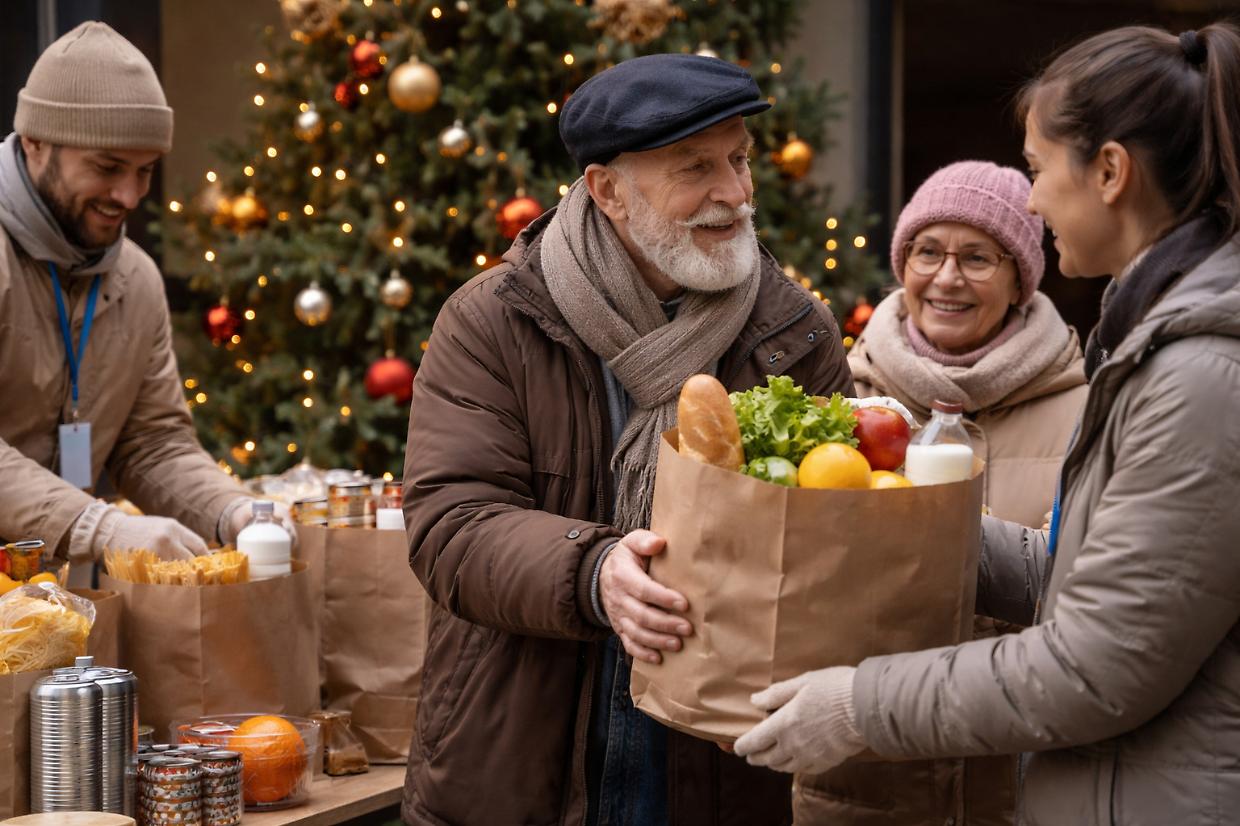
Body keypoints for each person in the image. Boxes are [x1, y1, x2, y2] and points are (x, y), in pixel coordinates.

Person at [734, 21, 1240, 825]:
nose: (1033, 199)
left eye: (1038, 169)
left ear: (1110, 171)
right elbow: (1071, 581)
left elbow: (1096, 664)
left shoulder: (1200, 375)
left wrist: (861, 704)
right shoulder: (1153, 343)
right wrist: (894, 516)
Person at [401, 54, 853, 826]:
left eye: (740, 160)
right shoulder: (495, 320)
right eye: (696, 168)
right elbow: (450, 523)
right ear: (608, 190)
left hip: (721, 764)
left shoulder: (793, 332)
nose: (737, 194)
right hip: (519, 762)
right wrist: (595, 570)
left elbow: (836, 543)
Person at [797, 162, 1088, 825]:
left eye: (978, 257)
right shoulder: (846, 401)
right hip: (859, 780)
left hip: (1024, 783)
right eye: (928, 251)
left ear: (1020, 277)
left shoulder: (1090, 409)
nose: (947, 277)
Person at [0, 22, 292, 565]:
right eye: (107, 167)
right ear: (36, 142)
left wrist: (232, 512)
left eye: (146, 171)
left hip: (49, 603)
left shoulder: (136, 278)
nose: (130, 195)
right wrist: (96, 524)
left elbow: (153, 442)